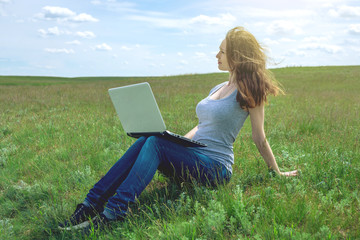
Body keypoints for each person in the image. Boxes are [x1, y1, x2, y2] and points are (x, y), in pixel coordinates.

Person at [58, 26, 298, 234]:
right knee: (148, 139)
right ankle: (90, 205)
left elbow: (260, 137)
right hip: (194, 156)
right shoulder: (218, 87)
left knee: (154, 143)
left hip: (215, 168)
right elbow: (201, 126)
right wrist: (176, 142)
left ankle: (114, 212)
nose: (217, 55)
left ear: (237, 56)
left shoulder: (250, 90)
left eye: (222, 52)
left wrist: (276, 171)